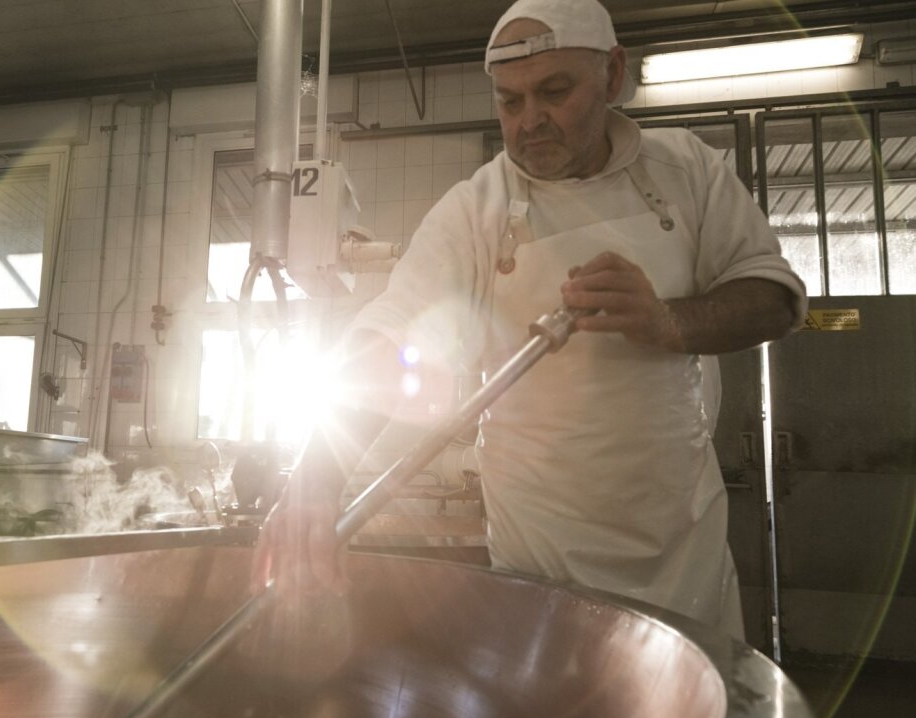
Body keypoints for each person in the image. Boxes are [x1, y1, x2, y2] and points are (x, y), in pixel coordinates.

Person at [253, 0, 807, 639]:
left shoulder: (687, 171)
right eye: (510, 102)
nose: (530, 121)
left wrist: (667, 321)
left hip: (680, 547)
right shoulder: (477, 211)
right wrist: (315, 480)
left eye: (554, 91)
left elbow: (771, 295)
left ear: (613, 74)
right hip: (540, 556)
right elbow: (395, 334)